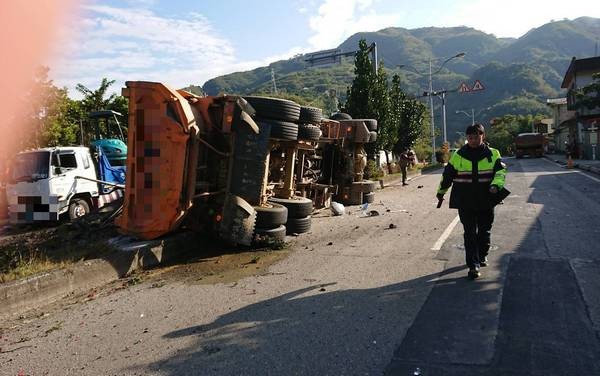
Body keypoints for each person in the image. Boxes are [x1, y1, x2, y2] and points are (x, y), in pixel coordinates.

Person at [436, 123, 507, 279]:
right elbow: (447, 176)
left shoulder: (493, 154)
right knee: (469, 233)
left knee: (484, 231)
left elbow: (500, 172)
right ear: (466, 138)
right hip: (465, 200)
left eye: (476, 137)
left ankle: (482, 255)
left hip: (486, 199)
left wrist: (496, 185)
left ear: (483, 136)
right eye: (470, 138)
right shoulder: (459, 155)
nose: (473, 140)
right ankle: (473, 265)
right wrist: (441, 192)